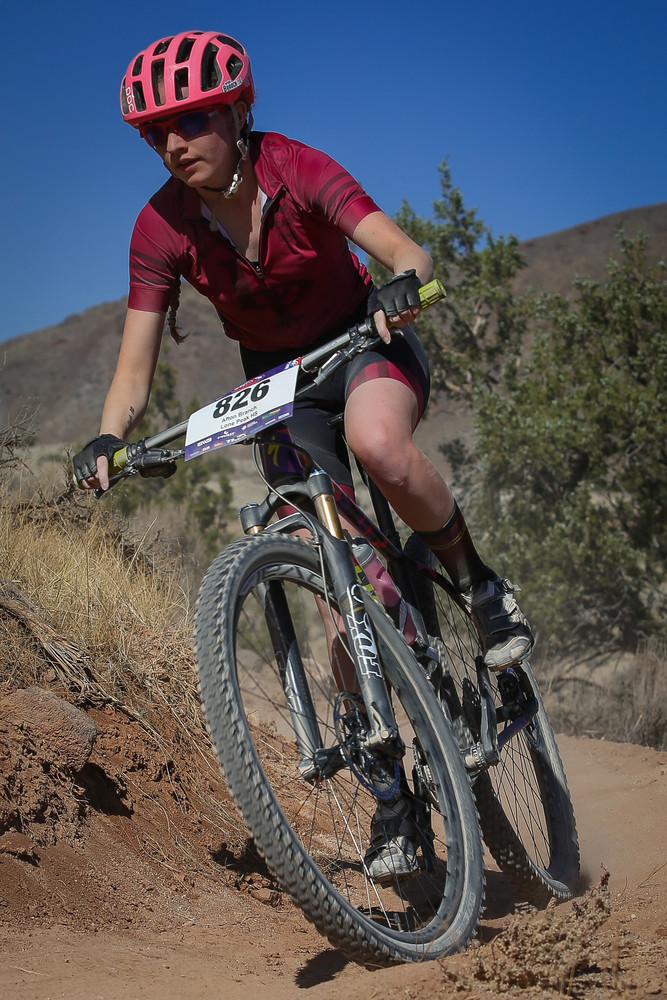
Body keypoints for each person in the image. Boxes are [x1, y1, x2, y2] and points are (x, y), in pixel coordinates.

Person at [73, 30, 532, 883]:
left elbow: (405, 252)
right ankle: (391, 792)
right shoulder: (159, 226)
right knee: (336, 586)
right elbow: (133, 371)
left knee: (377, 444)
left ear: (237, 114)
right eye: (156, 132)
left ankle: (480, 587)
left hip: (363, 343)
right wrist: (111, 437)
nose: (174, 143)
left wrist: (404, 281)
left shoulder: (295, 167)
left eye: (193, 120)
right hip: (280, 385)